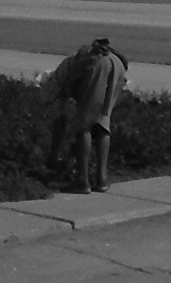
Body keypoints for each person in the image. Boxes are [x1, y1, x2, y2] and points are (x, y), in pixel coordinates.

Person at [41, 37, 130, 193]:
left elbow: (60, 118)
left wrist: (53, 157)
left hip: (97, 64)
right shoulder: (70, 65)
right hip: (117, 65)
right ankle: (101, 179)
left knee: (84, 125)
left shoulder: (58, 79)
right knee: (102, 123)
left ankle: (82, 181)